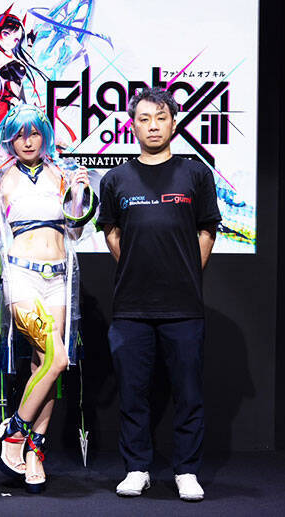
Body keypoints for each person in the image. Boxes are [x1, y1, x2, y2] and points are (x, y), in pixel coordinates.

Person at [0, 103, 97, 493]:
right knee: (57, 358)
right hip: (21, 277)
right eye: (19, 135)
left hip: (59, 277)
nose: (28, 141)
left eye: (34, 133)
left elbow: (76, 229)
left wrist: (80, 194)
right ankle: (15, 431)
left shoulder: (61, 173)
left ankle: (34, 452)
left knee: (44, 364)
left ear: (44, 135)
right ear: (9, 139)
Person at [97, 87, 221, 502]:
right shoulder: (115, 179)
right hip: (131, 306)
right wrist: (138, 266)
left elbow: (207, 230)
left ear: (173, 123)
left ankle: (186, 471)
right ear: (133, 126)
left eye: (161, 118)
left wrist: (183, 271)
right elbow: (112, 233)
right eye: (145, 119)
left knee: (188, 394)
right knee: (133, 393)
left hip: (183, 305)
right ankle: (137, 469)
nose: (153, 126)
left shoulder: (196, 173)